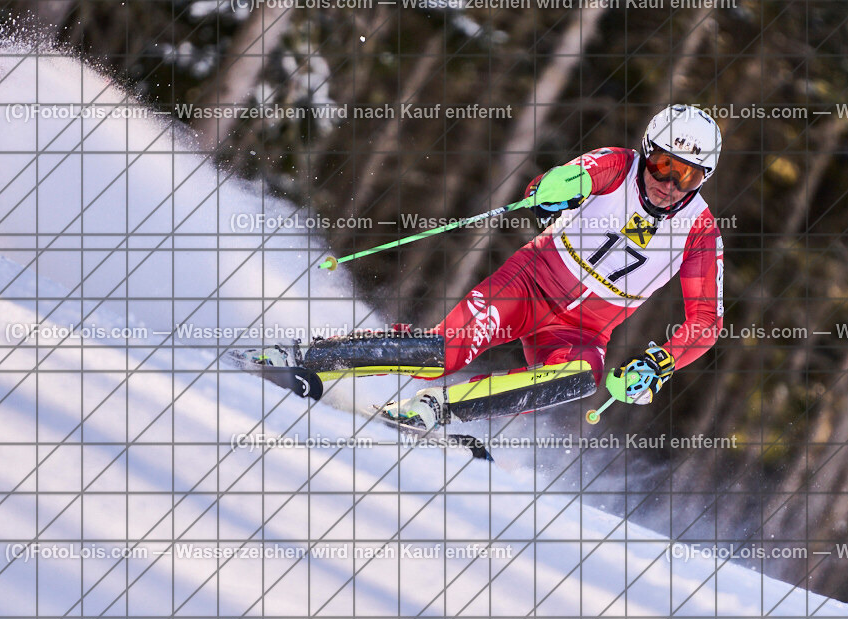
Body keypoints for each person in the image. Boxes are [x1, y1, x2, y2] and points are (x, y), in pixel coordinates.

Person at [253, 104, 725, 428]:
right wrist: (556, 189)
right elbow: (564, 177)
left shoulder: (699, 232)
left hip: (583, 328)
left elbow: (705, 322)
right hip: (531, 282)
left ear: (703, 178)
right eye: (663, 163)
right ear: (646, 151)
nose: (669, 182)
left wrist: (660, 363)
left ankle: (441, 409)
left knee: (581, 378)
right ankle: (304, 358)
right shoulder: (619, 166)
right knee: (443, 353)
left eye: (687, 174)